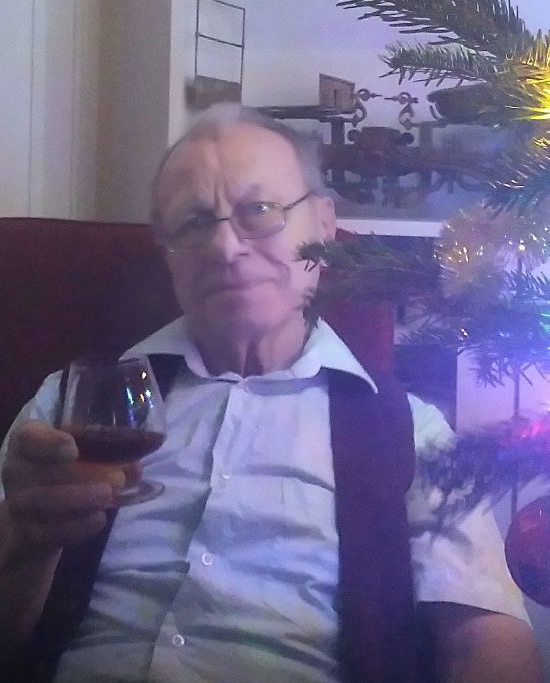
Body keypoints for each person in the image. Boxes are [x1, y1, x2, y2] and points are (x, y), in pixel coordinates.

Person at [0, 105, 543, 683]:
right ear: (167, 251)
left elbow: (487, 638)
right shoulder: (72, 408)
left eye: (259, 210)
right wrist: (24, 549)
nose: (225, 248)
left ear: (325, 225)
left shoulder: (413, 433)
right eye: (194, 222)